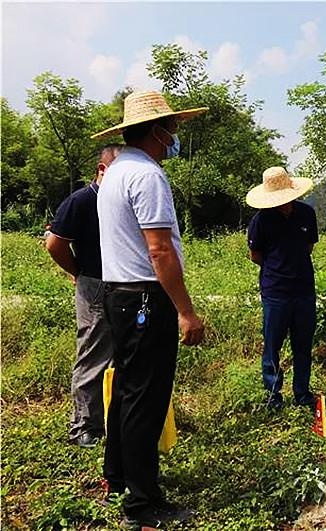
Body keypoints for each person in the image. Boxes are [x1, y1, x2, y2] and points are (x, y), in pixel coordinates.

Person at [91, 91, 207, 529]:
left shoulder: (116, 172)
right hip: (144, 297)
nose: (174, 136)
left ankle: (117, 476)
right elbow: (159, 251)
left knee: (126, 389)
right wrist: (185, 311)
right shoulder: (147, 176)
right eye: (172, 129)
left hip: (118, 295)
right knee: (146, 398)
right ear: (157, 132)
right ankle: (142, 503)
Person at [45, 144, 122, 448]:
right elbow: (55, 244)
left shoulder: (119, 202)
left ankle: (112, 416)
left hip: (123, 285)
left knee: (120, 353)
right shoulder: (82, 200)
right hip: (94, 284)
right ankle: (84, 426)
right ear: (102, 170)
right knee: (93, 354)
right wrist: (78, 272)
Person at [245, 166, 318, 410]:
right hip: (275, 292)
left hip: (304, 290)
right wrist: (278, 268)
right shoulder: (260, 220)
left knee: (303, 344)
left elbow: (309, 247)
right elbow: (256, 255)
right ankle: (273, 394)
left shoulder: (307, 214)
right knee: (272, 344)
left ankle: (302, 393)